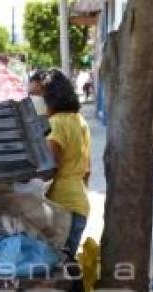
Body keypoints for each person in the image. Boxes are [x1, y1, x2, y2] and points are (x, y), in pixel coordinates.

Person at [42, 69, 91, 257]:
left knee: (58, 270)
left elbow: (49, 168)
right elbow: (87, 170)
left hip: (61, 207)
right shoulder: (80, 121)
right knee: (69, 265)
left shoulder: (56, 124)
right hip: (79, 203)